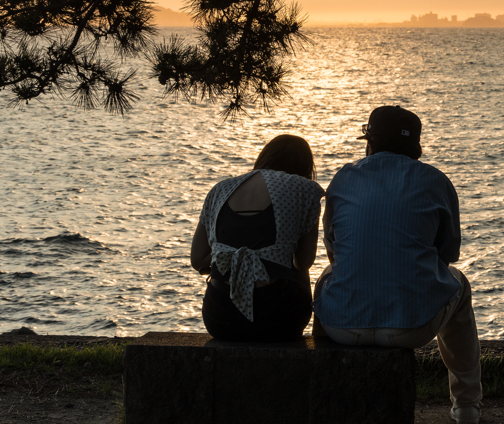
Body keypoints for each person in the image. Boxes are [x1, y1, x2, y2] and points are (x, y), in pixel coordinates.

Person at [313, 106, 481, 424]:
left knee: (325, 279)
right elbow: (447, 255)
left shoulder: (344, 177)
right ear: (415, 145)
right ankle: (466, 405)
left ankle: (322, 389)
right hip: (412, 327)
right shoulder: (436, 181)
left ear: (371, 142)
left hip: (343, 327)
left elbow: (334, 250)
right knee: (459, 283)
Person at [191, 134, 323, 341]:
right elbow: (304, 262)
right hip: (277, 319)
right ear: (306, 167)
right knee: (297, 267)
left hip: (218, 317)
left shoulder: (219, 189)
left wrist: (235, 257)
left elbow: (197, 259)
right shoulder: (305, 189)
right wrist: (262, 258)